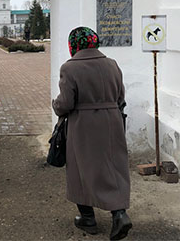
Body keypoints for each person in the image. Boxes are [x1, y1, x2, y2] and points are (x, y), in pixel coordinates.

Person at [52, 27, 132, 240]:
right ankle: (119, 214)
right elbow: (121, 96)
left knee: (81, 169)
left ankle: (88, 218)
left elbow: (66, 103)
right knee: (113, 166)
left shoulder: (70, 68)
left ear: (74, 44)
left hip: (84, 125)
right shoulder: (112, 64)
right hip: (113, 121)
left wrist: (56, 105)